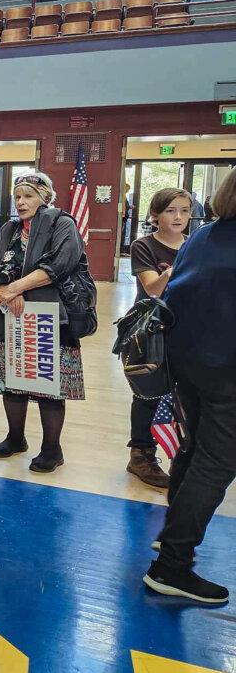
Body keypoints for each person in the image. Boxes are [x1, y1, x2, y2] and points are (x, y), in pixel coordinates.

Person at [143, 169, 236, 605]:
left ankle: (170, 536)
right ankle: (172, 567)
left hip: (190, 363)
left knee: (192, 448)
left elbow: (174, 299)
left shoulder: (203, 237)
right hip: (225, 370)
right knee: (214, 465)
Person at [0, 171, 88, 474]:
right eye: (17, 196)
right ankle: (15, 438)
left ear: (45, 196)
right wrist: (3, 290)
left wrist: (16, 288)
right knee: (13, 383)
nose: (21, 202)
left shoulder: (62, 224)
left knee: (48, 385)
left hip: (52, 319)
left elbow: (59, 264)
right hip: (12, 318)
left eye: (28, 195)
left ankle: (52, 449)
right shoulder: (9, 229)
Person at [126, 188, 191, 489]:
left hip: (185, 330)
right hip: (148, 331)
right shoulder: (144, 246)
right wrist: (179, 267)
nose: (178, 217)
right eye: (170, 211)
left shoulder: (194, 244)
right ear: (155, 215)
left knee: (184, 395)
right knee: (148, 394)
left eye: (184, 211)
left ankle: (183, 451)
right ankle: (141, 455)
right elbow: (152, 288)